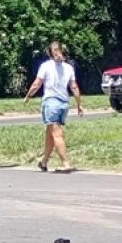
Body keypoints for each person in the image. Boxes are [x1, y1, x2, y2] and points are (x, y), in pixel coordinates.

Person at [23, 41, 84, 173]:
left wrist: (28, 96)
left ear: (49, 53)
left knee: (56, 134)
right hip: (63, 104)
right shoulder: (68, 68)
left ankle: (66, 163)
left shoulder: (45, 66)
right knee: (50, 134)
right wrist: (79, 105)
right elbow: (74, 87)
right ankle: (44, 162)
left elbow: (37, 84)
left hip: (51, 103)